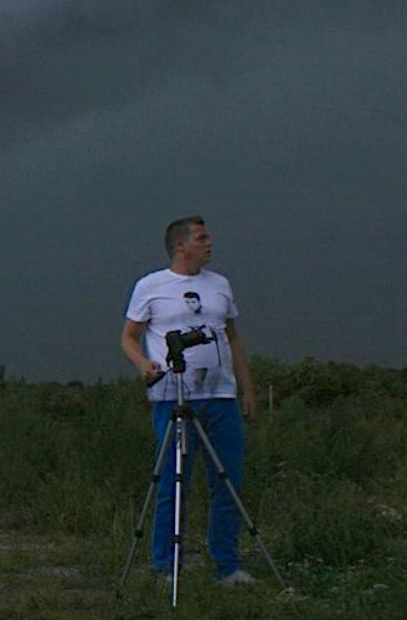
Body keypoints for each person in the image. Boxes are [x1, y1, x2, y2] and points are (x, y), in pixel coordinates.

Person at [120, 215, 258, 585]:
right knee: (172, 482)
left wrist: (247, 389)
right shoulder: (151, 286)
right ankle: (166, 566)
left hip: (220, 396)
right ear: (181, 245)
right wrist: (143, 365)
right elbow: (129, 336)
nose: (210, 242)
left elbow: (233, 338)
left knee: (228, 481)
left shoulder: (220, 286)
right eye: (202, 237)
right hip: (173, 397)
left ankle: (227, 565)